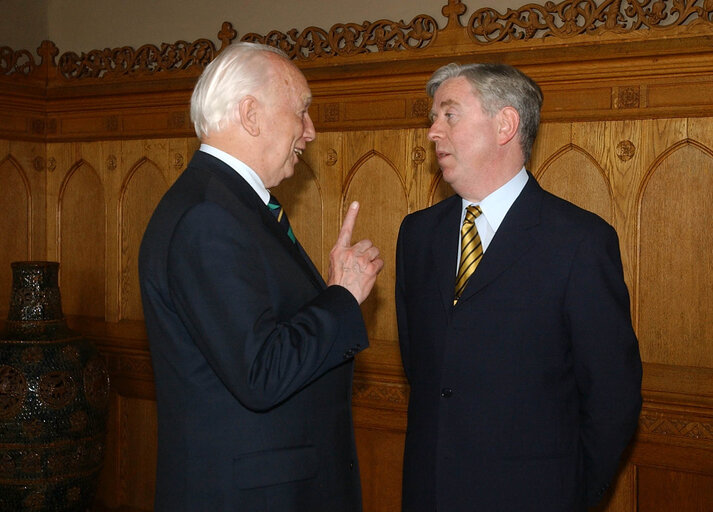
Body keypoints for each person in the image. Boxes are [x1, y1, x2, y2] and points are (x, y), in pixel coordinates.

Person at [139, 42, 383, 512]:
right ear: (251, 115)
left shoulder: (231, 204)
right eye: (302, 112)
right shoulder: (210, 216)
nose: (310, 131)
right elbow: (261, 372)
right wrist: (342, 296)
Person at [395, 63, 642, 511]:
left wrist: (569, 494)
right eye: (433, 118)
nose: (432, 132)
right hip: (429, 492)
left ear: (505, 124)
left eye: (449, 115)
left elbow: (613, 395)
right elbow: (423, 367)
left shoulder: (579, 241)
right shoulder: (417, 235)